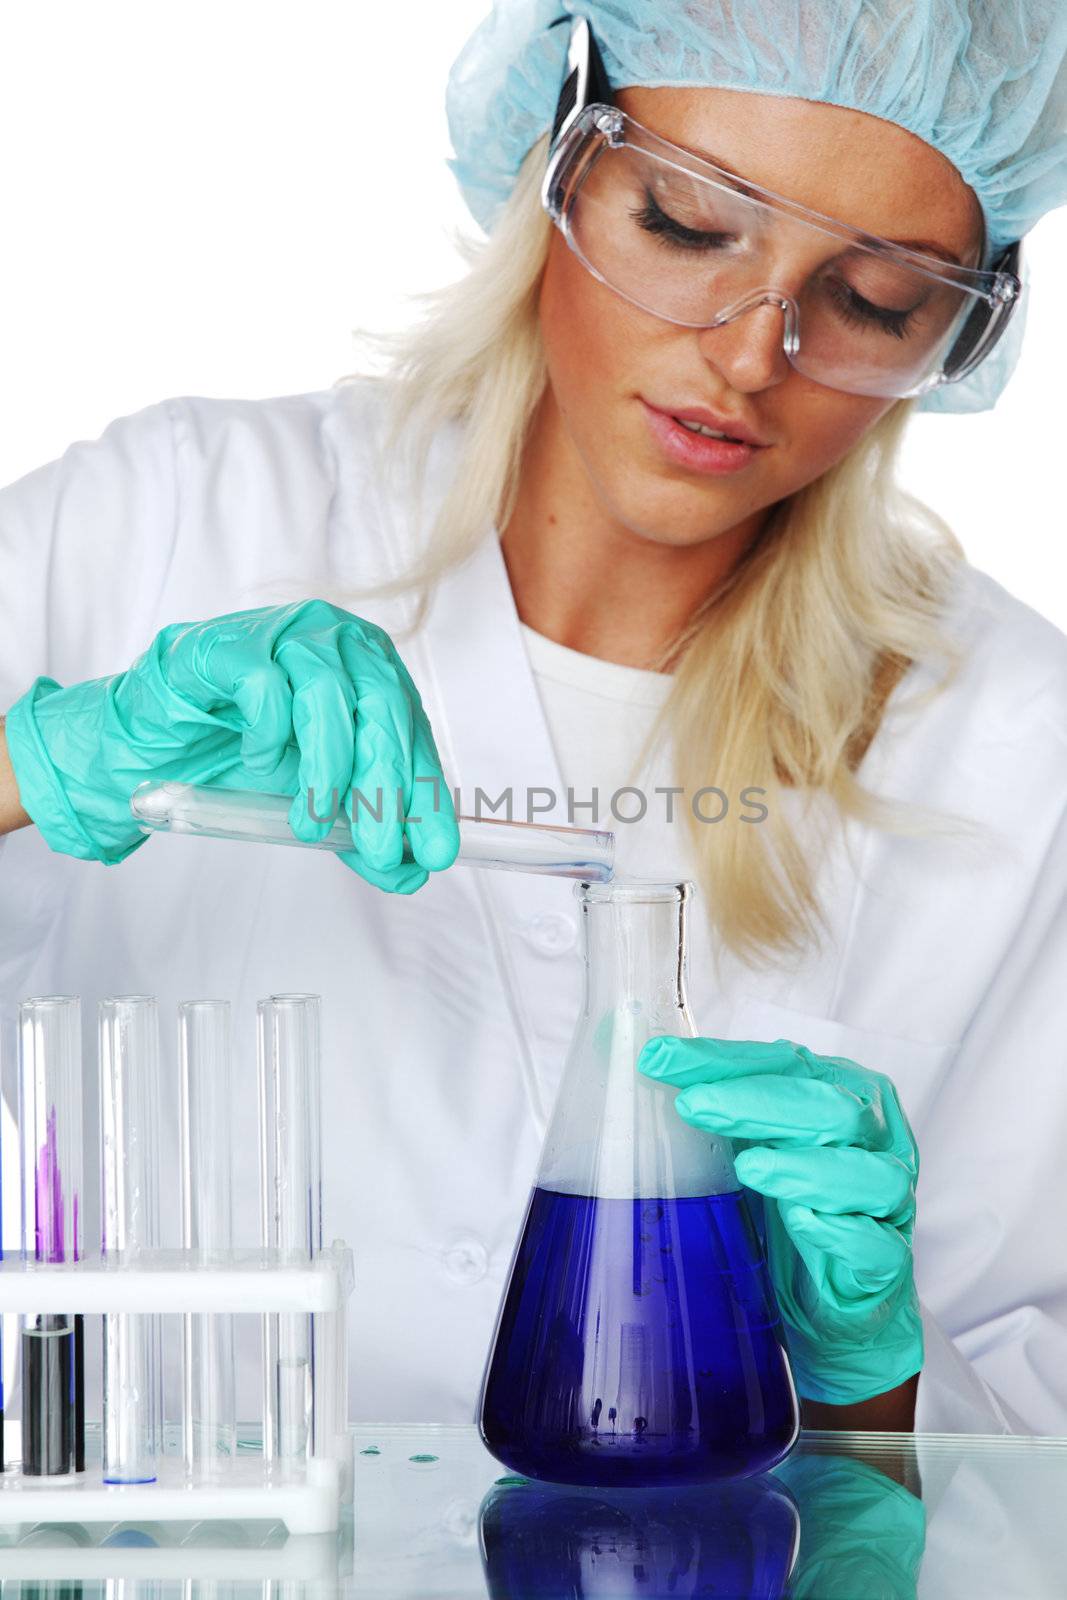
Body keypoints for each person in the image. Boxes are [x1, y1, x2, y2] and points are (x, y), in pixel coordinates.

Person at [1, 0, 1066, 1438]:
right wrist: (40, 757)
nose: (757, 353)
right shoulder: (176, 513)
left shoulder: (1010, 739)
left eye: (876, 300)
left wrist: (866, 1375)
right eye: (690, 224)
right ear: (554, 166)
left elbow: (1014, 1450)